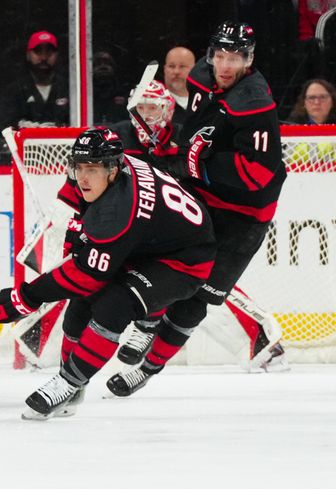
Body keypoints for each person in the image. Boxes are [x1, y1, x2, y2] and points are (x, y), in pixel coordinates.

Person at [106, 21, 289, 396]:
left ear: (249, 60)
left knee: (197, 298)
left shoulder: (255, 104)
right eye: (220, 55)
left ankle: (150, 367)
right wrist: (182, 147)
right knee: (160, 254)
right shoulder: (202, 76)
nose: (225, 65)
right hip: (203, 194)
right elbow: (201, 123)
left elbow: (256, 173)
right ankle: (146, 326)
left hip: (244, 216)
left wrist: (199, 162)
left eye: (235, 58)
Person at [0, 128, 215, 420]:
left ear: (112, 169)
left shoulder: (118, 211)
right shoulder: (115, 171)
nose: (82, 177)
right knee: (81, 302)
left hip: (185, 259)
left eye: (91, 169)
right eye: (78, 167)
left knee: (115, 304)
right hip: (149, 243)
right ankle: (72, 384)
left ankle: (68, 383)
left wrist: (25, 298)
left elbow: (85, 275)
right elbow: (75, 195)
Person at [0, 30, 70, 128]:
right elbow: (7, 127)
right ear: (28, 55)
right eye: (38, 51)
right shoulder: (14, 92)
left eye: (49, 52)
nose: (44, 57)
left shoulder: (69, 89)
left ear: (56, 55)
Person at [108, 80, 180, 170]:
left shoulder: (181, 136)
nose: (144, 115)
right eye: (140, 107)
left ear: (166, 110)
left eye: (152, 108)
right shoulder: (117, 135)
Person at [162, 46, 195, 125]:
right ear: (165, 70)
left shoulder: (205, 103)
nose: (176, 71)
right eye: (171, 66)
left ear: (195, 69)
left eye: (182, 66)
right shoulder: (153, 104)